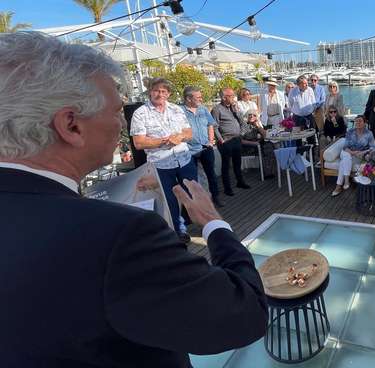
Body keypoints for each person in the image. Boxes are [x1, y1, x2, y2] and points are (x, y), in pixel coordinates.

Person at [0, 31, 267, 366]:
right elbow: (245, 313)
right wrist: (213, 223)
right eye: (115, 113)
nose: (121, 127)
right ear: (71, 125)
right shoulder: (119, 235)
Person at [131, 77, 197, 242]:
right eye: (156, 91)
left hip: (184, 160)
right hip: (160, 165)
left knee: (192, 192)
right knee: (169, 200)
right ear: (150, 92)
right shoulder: (140, 113)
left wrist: (180, 136)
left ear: (168, 94)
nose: (160, 94)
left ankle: (187, 220)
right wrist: (165, 140)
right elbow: (138, 143)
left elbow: (189, 133)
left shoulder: (176, 109)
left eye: (163, 91)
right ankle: (178, 231)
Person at [182, 86, 223, 208]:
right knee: (192, 178)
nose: (201, 99)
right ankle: (197, 202)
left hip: (206, 147)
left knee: (211, 174)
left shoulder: (203, 109)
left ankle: (215, 197)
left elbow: (210, 125)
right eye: (198, 97)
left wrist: (211, 140)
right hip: (189, 150)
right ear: (189, 98)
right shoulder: (180, 111)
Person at [211, 88, 251, 195]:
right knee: (226, 165)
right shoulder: (216, 109)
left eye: (234, 95)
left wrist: (241, 134)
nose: (234, 98)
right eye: (232, 96)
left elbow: (242, 122)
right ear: (224, 98)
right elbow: (214, 127)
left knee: (237, 163)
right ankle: (227, 188)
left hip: (237, 139)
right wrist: (221, 140)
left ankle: (240, 182)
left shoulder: (234, 108)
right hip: (226, 141)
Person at [332, 115, 375, 197]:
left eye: (360, 121)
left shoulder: (369, 133)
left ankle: (338, 186)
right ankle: (346, 180)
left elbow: (372, 147)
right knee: (346, 155)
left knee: (343, 162)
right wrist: (352, 152)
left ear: (364, 123)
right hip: (347, 152)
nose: (358, 123)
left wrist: (363, 152)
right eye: (356, 121)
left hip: (358, 155)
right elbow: (345, 147)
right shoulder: (350, 131)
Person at [240, 108, 276, 179]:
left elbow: (265, 136)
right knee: (266, 148)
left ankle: (270, 171)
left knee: (270, 146)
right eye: (250, 115)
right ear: (247, 116)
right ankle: (267, 173)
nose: (251, 116)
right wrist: (254, 143)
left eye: (254, 115)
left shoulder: (258, 125)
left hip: (259, 145)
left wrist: (258, 126)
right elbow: (241, 141)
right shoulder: (244, 126)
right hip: (249, 146)